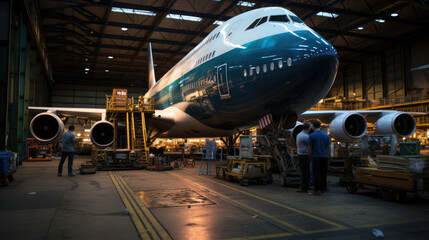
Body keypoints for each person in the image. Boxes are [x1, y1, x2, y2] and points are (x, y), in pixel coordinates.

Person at [307, 120, 330, 195]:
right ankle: (324, 188)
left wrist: (310, 157)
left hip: (316, 156)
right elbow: (328, 147)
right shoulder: (326, 136)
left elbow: (309, 148)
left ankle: (317, 189)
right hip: (324, 157)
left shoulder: (311, 136)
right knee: (323, 173)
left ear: (313, 126)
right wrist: (328, 156)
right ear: (320, 126)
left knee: (316, 173)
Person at [296, 122, 311, 193]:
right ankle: (305, 187)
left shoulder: (299, 134)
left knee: (303, 171)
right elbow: (310, 146)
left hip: (300, 154)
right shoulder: (306, 137)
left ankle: (304, 186)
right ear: (308, 128)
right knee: (306, 172)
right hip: (305, 155)